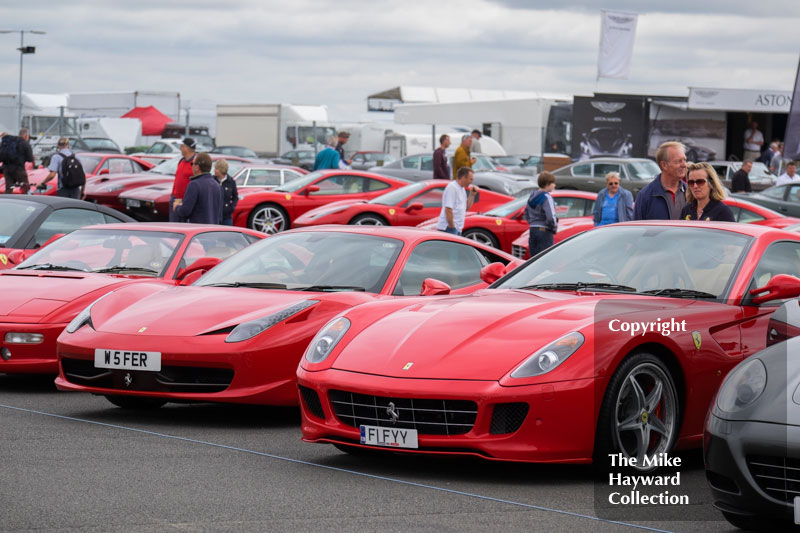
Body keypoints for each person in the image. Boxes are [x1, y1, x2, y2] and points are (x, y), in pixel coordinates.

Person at [633, 141, 687, 220]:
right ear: (664, 165)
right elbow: (638, 228)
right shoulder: (646, 196)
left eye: (684, 160)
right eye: (678, 161)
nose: (684, 165)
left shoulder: (690, 193)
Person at [174, 152, 223, 224]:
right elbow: (219, 214)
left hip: (197, 231)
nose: (191, 166)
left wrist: (177, 207)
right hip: (212, 231)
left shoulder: (194, 184)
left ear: (197, 167)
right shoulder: (217, 185)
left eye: (192, 164)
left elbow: (185, 211)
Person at [436, 166, 477, 235]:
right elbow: (448, 209)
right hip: (448, 228)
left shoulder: (462, 189)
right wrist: (452, 227)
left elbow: (466, 208)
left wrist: (472, 195)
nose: (471, 182)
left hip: (457, 228)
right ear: (464, 177)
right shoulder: (452, 187)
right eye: (470, 179)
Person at [525, 171, 558, 255]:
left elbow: (526, 212)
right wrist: (554, 228)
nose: (555, 185)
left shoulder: (532, 196)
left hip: (533, 229)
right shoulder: (547, 197)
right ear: (547, 184)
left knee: (534, 258)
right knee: (546, 257)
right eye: (553, 183)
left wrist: (532, 222)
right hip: (544, 231)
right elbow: (551, 217)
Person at [170, 138, 197, 222]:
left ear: (187, 148)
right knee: (173, 227)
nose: (180, 148)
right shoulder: (181, 161)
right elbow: (177, 179)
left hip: (186, 202)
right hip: (175, 200)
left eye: (182, 146)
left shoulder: (195, 163)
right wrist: (173, 195)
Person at [1, 128, 34, 194]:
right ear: (26, 135)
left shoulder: (9, 142)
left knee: (9, 188)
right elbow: (30, 159)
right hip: (19, 170)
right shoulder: (25, 143)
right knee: (25, 188)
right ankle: (25, 202)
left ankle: (6, 202)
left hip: (7, 169)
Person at [214, 159, 238, 225]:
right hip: (214, 216)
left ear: (221, 170)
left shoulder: (231, 182)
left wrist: (231, 208)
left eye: (216, 168)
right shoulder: (212, 180)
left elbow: (235, 197)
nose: (214, 170)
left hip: (227, 216)